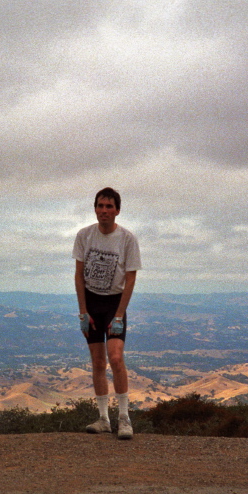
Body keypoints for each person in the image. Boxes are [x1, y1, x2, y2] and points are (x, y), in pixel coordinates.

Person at [73, 187, 141, 440]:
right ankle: (103, 419)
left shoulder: (127, 239)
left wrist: (120, 315)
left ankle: (124, 419)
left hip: (115, 303)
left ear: (117, 210)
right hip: (91, 302)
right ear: (95, 208)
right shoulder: (84, 235)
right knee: (98, 361)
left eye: (109, 206)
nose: (104, 211)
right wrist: (82, 312)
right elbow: (79, 275)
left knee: (115, 357)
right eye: (100, 206)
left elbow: (131, 279)